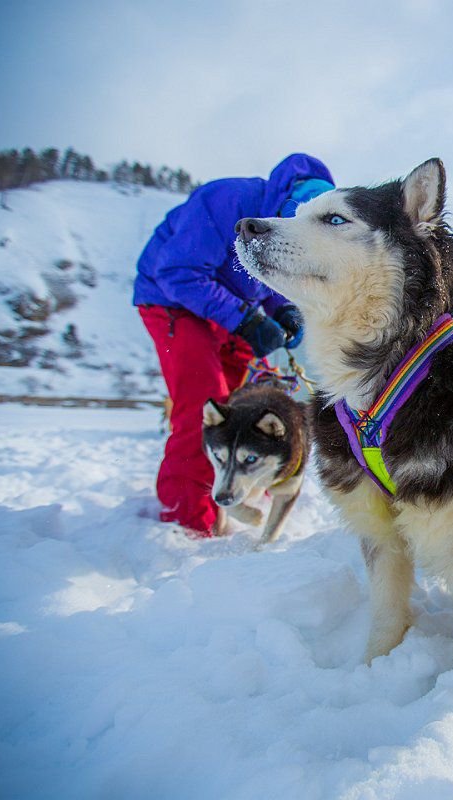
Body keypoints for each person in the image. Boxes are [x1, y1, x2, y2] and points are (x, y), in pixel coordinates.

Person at [133, 153, 335, 537]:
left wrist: (283, 310)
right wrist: (246, 319)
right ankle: (186, 521)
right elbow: (177, 272)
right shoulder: (226, 200)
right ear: (282, 210)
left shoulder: (291, 228)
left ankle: (234, 494)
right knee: (204, 403)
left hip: (230, 309)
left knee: (238, 407)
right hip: (173, 301)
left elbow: (264, 279)